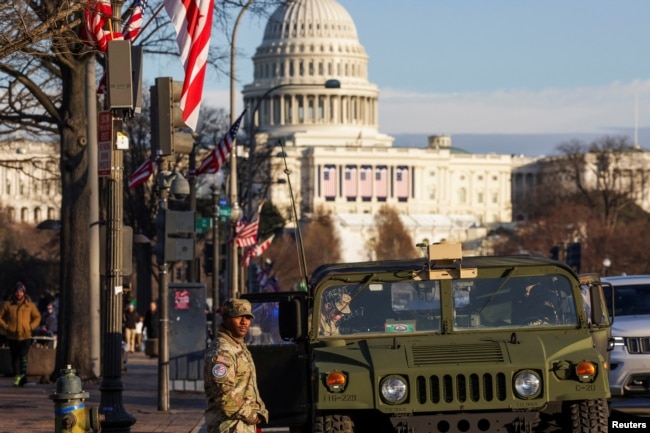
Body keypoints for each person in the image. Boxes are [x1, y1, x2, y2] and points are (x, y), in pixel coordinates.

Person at [204, 298, 268, 433]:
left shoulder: (238, 346)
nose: (244, 322)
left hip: (242, 425)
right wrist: (251, 415)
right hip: (230, 426)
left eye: (247, 317)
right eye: (238, 317)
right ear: (226, 319)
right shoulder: (223, 351)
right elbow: (224, 395)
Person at [0, 282, 41, 386]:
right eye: (17, 291)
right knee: (15, 358)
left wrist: (30, 326)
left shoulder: (30, 305)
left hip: (25, 335)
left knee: (23, 356)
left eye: (21, 292)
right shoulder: (7, 305)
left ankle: (23, 376)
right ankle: (17, 376)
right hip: (12, 335)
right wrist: (7, 327)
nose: (19, 294)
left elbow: (37, 317)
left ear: (24, 293)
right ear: (14, 293)